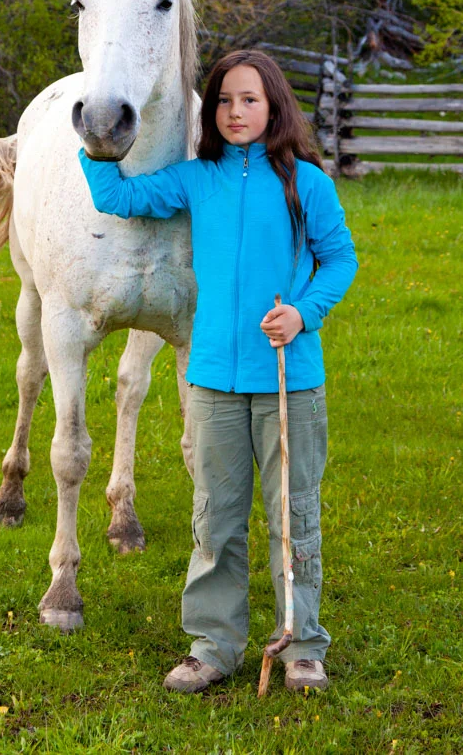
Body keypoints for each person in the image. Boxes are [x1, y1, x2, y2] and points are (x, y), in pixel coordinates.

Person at [77, 48, 357, 695]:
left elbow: (339, 260)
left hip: (290, 380)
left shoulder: (306, 184)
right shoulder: (195, 179)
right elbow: (118, 195)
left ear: (274, 107)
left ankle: (302, 645)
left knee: (295, 516)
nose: (236, 112)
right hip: (212, 384)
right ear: (213, 110)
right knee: (216, 518)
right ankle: (214, 644)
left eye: (250, 100)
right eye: (225, 100)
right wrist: (97, 141)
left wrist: (304, 314)